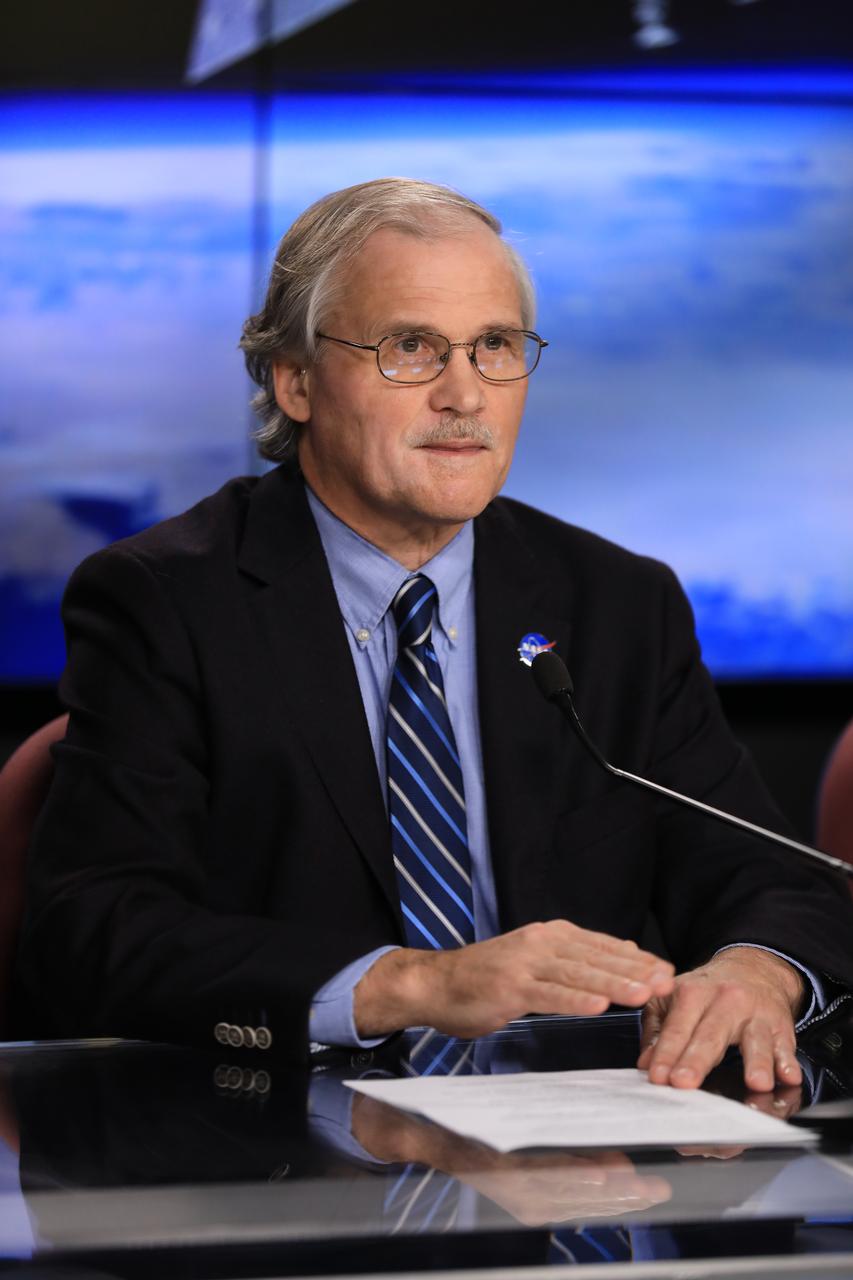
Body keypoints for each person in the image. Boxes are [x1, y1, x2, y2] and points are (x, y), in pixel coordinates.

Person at [17, 178, 853, 1091]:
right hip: (288, 1154)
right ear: (294, 381)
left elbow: (771, 875)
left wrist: (754, 969)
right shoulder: (166, 602)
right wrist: (409, 983)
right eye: (409, 347)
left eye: (495, 346)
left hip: (586, 1161)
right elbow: (95, 929)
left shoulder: (617, 603)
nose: (465, 394)